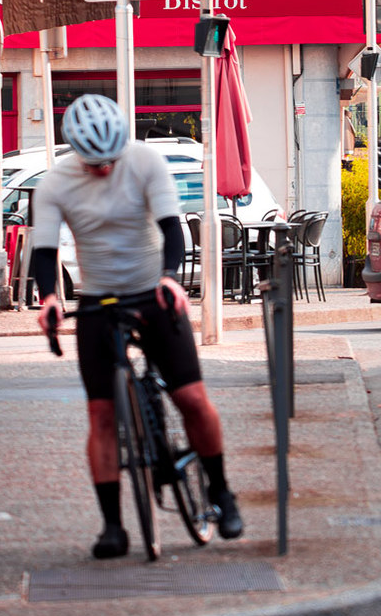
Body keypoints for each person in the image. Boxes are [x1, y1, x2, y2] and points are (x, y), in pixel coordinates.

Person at [32, 95, 243, 559]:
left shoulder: (145, 161)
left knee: (191, 398)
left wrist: (170, 278)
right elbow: (44, 251)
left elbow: (171, 229)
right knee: (101, 415)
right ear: (76, 153)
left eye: (112, 159)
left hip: (152, 291)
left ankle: (221, 491)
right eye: (95, 163)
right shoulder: (55, 183)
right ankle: (113, 526)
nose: (105, 169)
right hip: (98, 299)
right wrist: (49, 298)